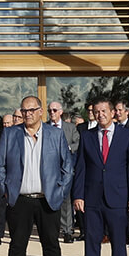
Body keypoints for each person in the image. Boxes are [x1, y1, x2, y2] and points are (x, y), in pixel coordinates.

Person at [0, 95, 72, 256]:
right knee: (18, 243)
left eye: (31, 110)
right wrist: (6, 190)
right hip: (19, 199)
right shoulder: (10, 134)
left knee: (51, 243)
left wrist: (60, 191)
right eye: (24, 110)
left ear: (40, 111)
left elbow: (68, 167)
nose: (27, 114)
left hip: (47, 198)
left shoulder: (55, 135)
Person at [72, 98, 129, 256]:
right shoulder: (87, 136)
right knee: (91, 243)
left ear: (113, 113)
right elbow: (81, 169)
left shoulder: (126, 136)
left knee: (119, 243)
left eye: (104, 111)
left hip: (118, 198)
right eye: (96, 111)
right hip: (92, 199)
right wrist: (78, 195)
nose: (100, 114)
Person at [46, 100, 80, 243]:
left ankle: (67, 231)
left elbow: (77, 142)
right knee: (50, 199)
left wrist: (67, 148)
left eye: (54, 110)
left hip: (66, 168)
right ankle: (52, 230)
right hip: (50, 170)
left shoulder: (70, 128)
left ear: (61, 112)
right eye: (50, 111)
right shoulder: (45, 127)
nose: (52, 113)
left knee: (66, 201)